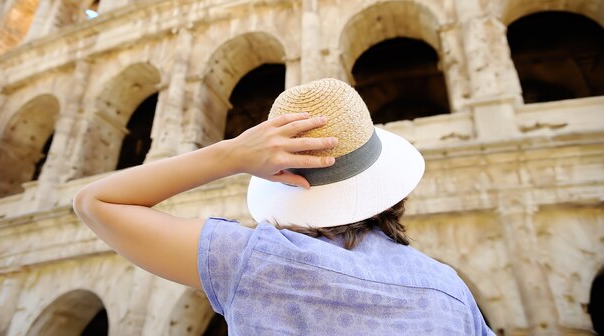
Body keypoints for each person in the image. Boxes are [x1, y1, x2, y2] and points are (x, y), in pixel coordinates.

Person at [74, 78, 495, 335]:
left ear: (285, 182)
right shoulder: (449, 289)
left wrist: (232, 154)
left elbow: (94, 201)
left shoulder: (254, 262)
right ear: (390, 189)